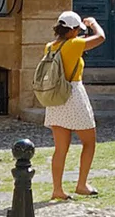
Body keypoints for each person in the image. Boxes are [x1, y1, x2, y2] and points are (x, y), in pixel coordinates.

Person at [43, 11, 106, 200]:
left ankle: (57, 189)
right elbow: (101, 37)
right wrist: (94, 23)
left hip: (55, 98)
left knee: (60, 148)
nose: (79, 33)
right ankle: (81, 184)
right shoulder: (75, 44)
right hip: (73, 95)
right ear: (72, 30)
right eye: (78, 30)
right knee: (89, 141)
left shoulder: (49, 47)